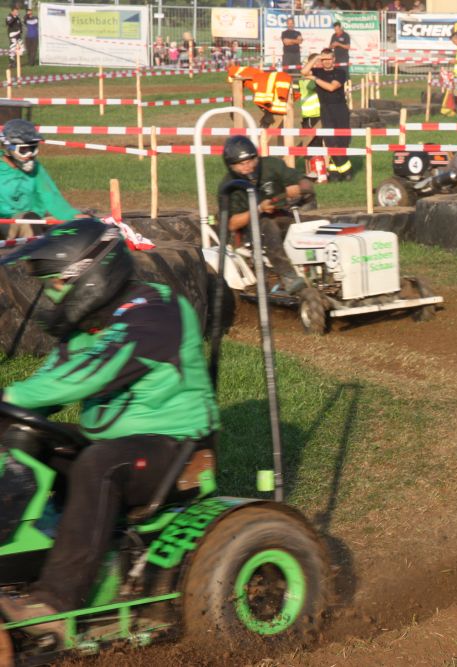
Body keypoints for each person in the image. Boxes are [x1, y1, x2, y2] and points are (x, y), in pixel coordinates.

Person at [0, 218, 219, 634]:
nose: (50, 293)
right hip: (119, 443)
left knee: (98, 465)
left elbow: (93, 371)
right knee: (22, 437)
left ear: (90, 274)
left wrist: (13, 399)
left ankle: (55, 602)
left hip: (178, 449)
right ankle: (19, 562)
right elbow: (52, 380)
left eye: (56, 282)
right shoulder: (89, 323)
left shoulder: (158, 311)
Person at [219, 135, 314, 294]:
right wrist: (259, 209)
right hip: (250, 228)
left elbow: (303, 181)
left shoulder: (271, 166)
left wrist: (301, 189)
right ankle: (289, 277)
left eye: (251, 161)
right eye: (242, 164)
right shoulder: (229, 186)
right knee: (268, 227)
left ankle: (316, 273)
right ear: (231, 166)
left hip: (281, 215)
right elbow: (232, 223)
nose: (248, 167)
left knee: (310, 226)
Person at [0, 119, 81, 228]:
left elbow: (51, 197)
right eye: (23, 150)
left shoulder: (36, 168)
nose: (29, 155)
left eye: (33, 149)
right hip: (6, 224)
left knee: (63, 225)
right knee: (26, 223)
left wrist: (75, 217)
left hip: (34, 221)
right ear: (8, 148)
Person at [302, 48, 352, 181]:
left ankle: (336, 172)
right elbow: (303, 72)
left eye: (329, 59)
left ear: (334, 59)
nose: (326, 62)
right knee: (331, 142)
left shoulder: (340, 73)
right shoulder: (318, 71)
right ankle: (346, 171)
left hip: (340, 109)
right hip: (326, 110)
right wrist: (316, 57)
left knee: (342, 142)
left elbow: (331, 87)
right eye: (323, 59)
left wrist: (315, 78)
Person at [299, 53, 323, 152]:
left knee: (321, 144)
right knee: (313, 146)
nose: (322, 64)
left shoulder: (316, 76)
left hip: (320, 114)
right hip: (312, 116)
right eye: (319, 62)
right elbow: (313, 86)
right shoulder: (309, 76)